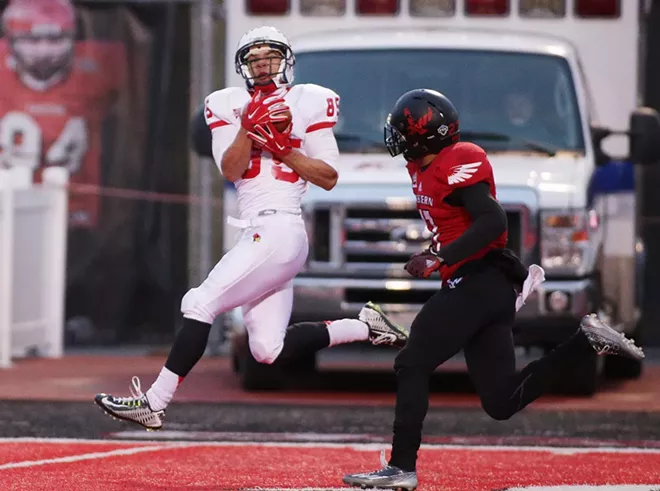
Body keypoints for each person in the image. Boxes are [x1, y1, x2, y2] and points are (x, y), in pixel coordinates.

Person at [94, 26, 408, 430]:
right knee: (266, 349)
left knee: (199, 302)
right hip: (260, 233)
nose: (263, 66)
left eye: (270, 58)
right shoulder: (227, 104)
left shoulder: (308, 100)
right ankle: (364, 325)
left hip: (281, 230)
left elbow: (327, 176)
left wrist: (284, 149)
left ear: (286, 60)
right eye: (254, 59)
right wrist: (249, 127)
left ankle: (154, 402)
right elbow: (230, 168)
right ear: (243, 67)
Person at [342, 89, 644, 490]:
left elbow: (492, 222)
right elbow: (458, 222)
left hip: (478, 282)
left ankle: (401, 467)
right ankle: (584, 342)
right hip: (485, 286)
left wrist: (440, 256)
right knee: (502, 401)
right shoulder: (424, 166)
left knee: (411, 363)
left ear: (423, 134)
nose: (394, 136)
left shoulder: (458, 159)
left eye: (402, 128)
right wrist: (436, 251)